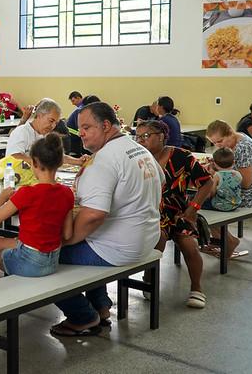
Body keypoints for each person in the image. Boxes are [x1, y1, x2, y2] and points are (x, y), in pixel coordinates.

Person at [51, 102, 162, 337]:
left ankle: (82, 317)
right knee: (93, 237)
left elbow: (93, 215)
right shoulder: (138, 149)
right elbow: (160, 180)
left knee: (41, 257)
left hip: (120, 247)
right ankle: (101, 308)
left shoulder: (104, 159)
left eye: (87, 127)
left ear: (106, 126)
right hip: (147, 238)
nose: (80, 133)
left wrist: (65, 241)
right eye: (80, 127)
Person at [0, 133, 74, 284]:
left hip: (30, 262)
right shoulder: (67, 193)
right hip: (52, 260)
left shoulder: (27, 193)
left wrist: (1, 199)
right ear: (60, 162)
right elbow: (67, 234)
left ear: (33, 163)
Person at [136, 120, 213, 308]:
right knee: (157, 239)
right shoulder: (137, 159)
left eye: (145, 136)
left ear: (161, 136)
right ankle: (149, 278)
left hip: (179, 213)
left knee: (189, 245)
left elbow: (207, 182)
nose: (140, 141)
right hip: (151, 215)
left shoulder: (181, 156)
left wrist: (192, 209)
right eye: (137, 137)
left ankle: (196, 288)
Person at [203, 120, 252, 257]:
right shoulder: (239, 139)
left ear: (230, 134)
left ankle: (227, 241)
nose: (217, 146)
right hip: (247, 191)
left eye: (220, 141)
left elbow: (245, 183)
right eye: (214, 143)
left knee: (201, 204)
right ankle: (219, 240)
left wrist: (216, 174)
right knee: (202, 200)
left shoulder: (242, 148)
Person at [6, 99, 86, 166]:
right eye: (51, 121)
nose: (53, 126)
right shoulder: (21, 132)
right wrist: (43, 164)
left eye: (56, 123)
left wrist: (79, 161)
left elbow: (58, 157)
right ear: (40, 115)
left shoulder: (46, 136)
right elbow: (14, 157)